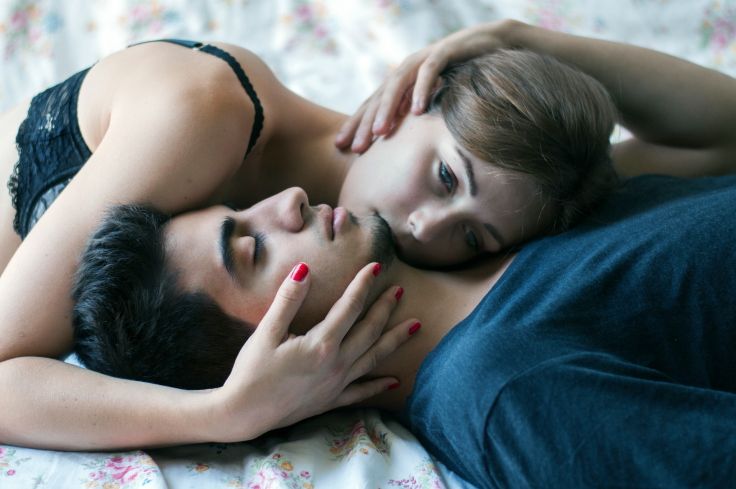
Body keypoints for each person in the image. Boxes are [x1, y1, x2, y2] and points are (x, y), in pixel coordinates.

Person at [73, 20, 736, 487]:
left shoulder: (521, 216)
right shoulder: (504, 392)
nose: (287, 200)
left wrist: (517, 40)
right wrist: (224, 413)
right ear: (264, 360)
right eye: (251, 246)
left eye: (243, 209)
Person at [0, 31, 617, 448]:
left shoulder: (493, 187)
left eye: (475, 239)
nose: (425, 228)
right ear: (413, 100)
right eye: (445, 177)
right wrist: (222, 415)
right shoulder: (201, 117)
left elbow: (683, 144)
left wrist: (529, 40)